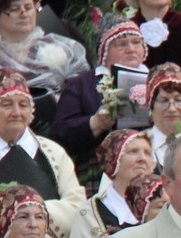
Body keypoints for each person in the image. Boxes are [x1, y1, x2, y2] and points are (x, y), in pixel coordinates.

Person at [0, 70, 84, 238]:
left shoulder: (52, 152)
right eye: (7, 105)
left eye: (23, 105)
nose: (16, 112)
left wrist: (31, 213)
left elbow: (77, 207)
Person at [52, 15, 148, 166]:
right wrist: (95, 123)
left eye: (136, 43)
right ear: (104, 51)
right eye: (121, 44)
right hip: (97, 166)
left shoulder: (157, 80)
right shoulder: (81, 84)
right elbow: (59, 134)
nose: (131, 49)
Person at [67, 129, 155, 238]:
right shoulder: (90, 214)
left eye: (147, 153)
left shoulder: (166, 205)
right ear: (113, 160)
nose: (142, 158)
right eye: (133, 151)